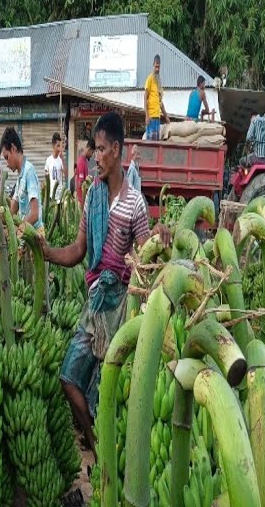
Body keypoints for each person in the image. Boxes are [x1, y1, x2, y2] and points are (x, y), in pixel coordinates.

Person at [31, 112, 169, 451]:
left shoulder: (135, 203)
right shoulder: (92, 196)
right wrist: (46, 252)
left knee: (108, 385)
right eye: (94, 149)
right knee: (69, 378)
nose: (95, 157)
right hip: (94, 302)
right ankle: (97, 443)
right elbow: (79, 250)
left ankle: (110, 453)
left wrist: (161, 234)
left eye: (102, 149)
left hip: (119, 306)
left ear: (118, 150)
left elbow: (143, 255)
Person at [1, 127, 43, 232]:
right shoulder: (20, 177)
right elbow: (13, 209)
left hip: (34, 237)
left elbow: (34, 215)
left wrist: (17, 232)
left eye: (6, 157)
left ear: (13, 149)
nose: (6, 163)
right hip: (26, 234)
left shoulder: (29, 171)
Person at [144, 55, 169, 140]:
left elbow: (161, 103)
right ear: (153, 65)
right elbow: (145, 98)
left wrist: (166, 117)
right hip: (150, 117)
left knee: (156, 143)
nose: (157, 69)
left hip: (157, 118)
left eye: (159, 67)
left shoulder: (159, 83)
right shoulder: (150, 79)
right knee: (150, 144)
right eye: (156, 67)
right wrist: (146, 116)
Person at [45, 132, 66, 202]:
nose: (59, 148)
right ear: (53, 146)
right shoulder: (48, 160)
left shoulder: (61, 160)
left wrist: (63, 159)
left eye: (60, 146)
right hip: (50, 195)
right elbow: (46, 177)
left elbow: (66, 175)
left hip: (60, 195)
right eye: (58, 146)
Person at [74, 140, 91, 206]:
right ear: (89, 149)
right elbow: (81, 183)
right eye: (92, 152)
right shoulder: (81, 162)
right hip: (81, 200)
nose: (92, 155)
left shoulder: (84, 161)